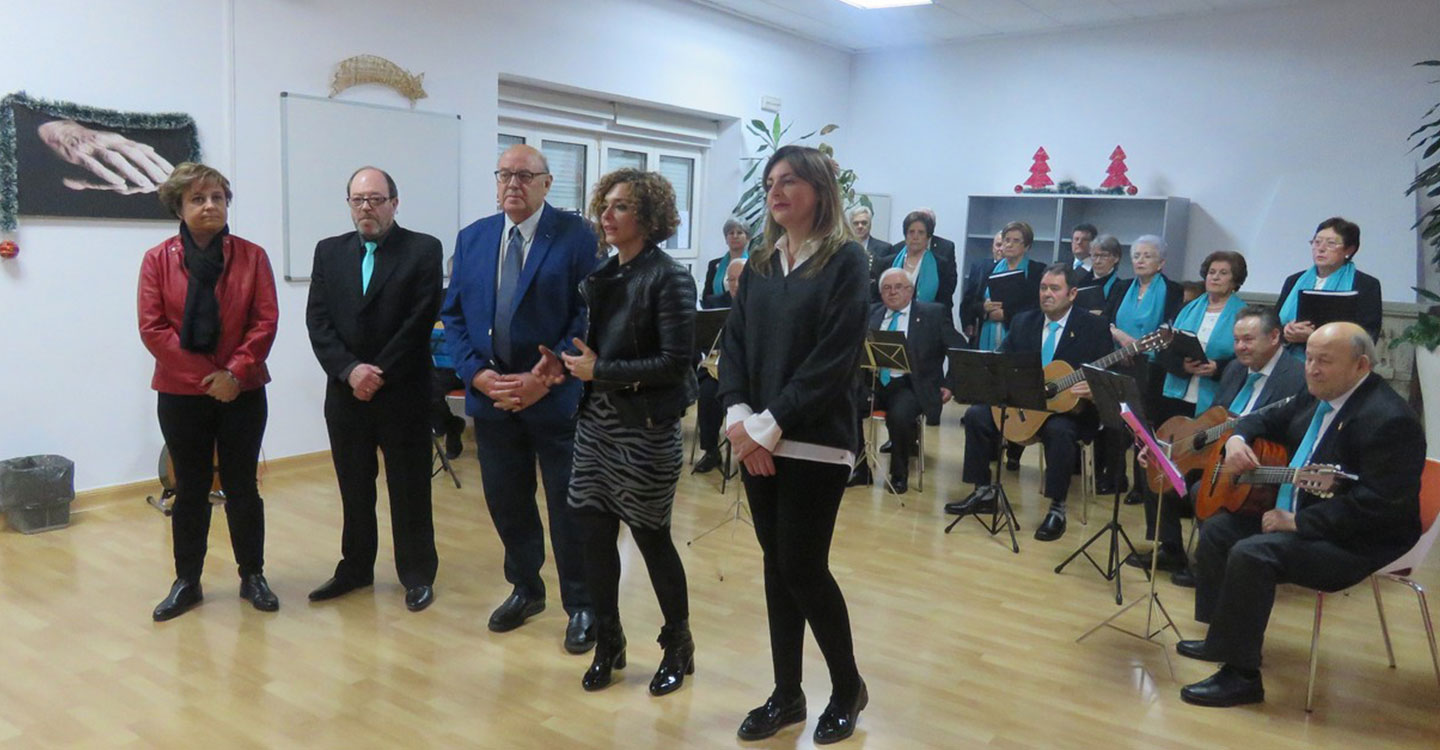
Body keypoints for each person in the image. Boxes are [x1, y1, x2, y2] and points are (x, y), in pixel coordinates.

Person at [1177, 322, 1425, 707]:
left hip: (1359, 539)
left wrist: (1298, 522)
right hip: (1303, 511)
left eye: (1324, 361)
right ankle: (1221, 639)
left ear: (1361, 366)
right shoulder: (1317, 395)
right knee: (1220, 528)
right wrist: (1237, 441)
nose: (1311, 368)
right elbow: (1260, 419)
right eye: (1308, 358)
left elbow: (1378, 506)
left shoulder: (1389, 420)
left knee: (1253, 553)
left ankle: (1242, 677)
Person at [719, 145, 868, 744]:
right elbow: (735, 345)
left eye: (790, 181)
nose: (776, 192)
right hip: (759, 437)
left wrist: (767, 425)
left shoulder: (846, 262)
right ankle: (787, 695)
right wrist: (738, 414)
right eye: (770, 182)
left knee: (803, 567)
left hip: (815, 441)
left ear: (819, 189)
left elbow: (832, 360)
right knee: (776, 569)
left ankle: (847, 686)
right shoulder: (759, 263)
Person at [533, 169, 698, 695]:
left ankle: (678, 643)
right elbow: (595, 353)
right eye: (605, 204)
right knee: (592, 537)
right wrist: (564, 367)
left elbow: (676, 363)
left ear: (647, 217)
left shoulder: (668, 276)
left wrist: (599, 371)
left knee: (651, 540)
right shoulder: (604, 274)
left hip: (646, 428)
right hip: (597, 426)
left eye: (621, 206)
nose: (607, 214)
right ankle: (610, 640)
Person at [442, 144, 602, 652]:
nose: (513, 183)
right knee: (507, 501)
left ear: (547, 183)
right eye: (504, 175)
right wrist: (476, 376)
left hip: (551, 395)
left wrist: (548, 370)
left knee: (566, 504)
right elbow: (455, 315)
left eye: (525, 175)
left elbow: (587, 313)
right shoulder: (474, 239)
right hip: (493, 396)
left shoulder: (576, 235)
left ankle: (581, 604)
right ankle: (526, 588)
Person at [137, 162, 278, 621]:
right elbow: (153, 328)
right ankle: (187, 582)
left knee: (242, 485)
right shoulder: (158, 259)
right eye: (198, 199)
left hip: (244, 389)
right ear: (178, 205)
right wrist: (207, 376)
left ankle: (252, 575)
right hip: (181, 393)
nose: (210, 206)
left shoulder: (252, 256)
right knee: (191, 487)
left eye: (217, 197)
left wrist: (234, 373)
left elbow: (265, 320)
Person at [304, 166, 442, 612]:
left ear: (395, 204)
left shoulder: (423, 249)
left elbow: (419, 321)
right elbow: (318, 321)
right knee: (354, 487)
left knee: (409, 488)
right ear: (349, 205)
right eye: (358, 200)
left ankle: (417, 573)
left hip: (403, 392)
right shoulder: (329, 252)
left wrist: (375, 371)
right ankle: (356, 567)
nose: (367, 207)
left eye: (376, 199)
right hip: (346, 395)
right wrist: (349, 371)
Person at [946, 264, 1114, 542]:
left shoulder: (1093, 326)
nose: (1047, 294)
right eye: (1043, 288)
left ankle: (1057, 507)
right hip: (1024, 403)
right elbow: (1002, 360)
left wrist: (1093, 389)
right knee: (976, 415)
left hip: (1069, 410)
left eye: (1054, 289)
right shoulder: (1025, 321)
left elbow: (1106, 377)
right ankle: (983, 491)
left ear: (1072, 294)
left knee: (1060, 432)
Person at [1145, 305, 1308, 587]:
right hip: (1219, 454)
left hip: (1259, 467)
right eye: (1236, 340)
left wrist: (1241, 438)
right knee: (1159, 467)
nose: (1240, 347)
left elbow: (1293, 433)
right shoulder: (1235, 368)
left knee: (1198, 489)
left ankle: (1212, 565)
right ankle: (1170, 548)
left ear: (1273, 337)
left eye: (1248, 339)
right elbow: (1218, 415)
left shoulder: (1297, 376)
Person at [852, 268, 963, 494]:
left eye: (898, 287)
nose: (892, 292)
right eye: (887, 288)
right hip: (873, 381)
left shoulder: (933, 313)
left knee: (900, 416)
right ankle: (860, 468)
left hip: (911, 384)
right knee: (844, 406)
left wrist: (949, 383)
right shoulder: (872, 312)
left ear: (911, 291)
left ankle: (899, 474)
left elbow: (959, 348)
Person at [1105, 235, 1185, 504]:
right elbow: (1107, 320)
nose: (1140, 260)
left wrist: (1137, 347)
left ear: (1161, 262)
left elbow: (1169, 328)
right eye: (1136, 255)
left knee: (1143, 424)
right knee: (1117, 421)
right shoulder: (1120, 287)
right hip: (1120, 360)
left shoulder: (1173, 290)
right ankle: (1115, 477)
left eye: (1147, 255)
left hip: (1152, 365)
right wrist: (1120, 338)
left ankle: (1142, 485)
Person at [1276, 217, 1383, 356]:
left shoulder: (1366, 285)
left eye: (1331, 243)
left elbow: (1368, 335)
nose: (1320, 249)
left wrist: (1317, 337)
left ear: (1349, 250)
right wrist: (1286, 331)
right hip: (1289, 361)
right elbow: (1273, 325)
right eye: (1317, 242)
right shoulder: (1293, 281)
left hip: (1339, 362)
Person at [695, 257, 746, 474]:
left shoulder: (761, 304)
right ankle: (711, 451)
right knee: (707, 393)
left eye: (740, 280)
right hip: (718, 368)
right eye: (731, 280)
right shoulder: (714, 303)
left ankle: (747, 455)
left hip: (748, 372)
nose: (735, 285)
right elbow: (702, 340)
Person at [965, 221, 1046, 352]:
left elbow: (1037, 307)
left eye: (1016, 241)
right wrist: (983, 308)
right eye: (1006, 240)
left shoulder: (1037, 271)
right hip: (986, 333)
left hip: (1021, 337)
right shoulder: (988, 269)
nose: (1009, 244)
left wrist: (1006, 314)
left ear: (1026, 246)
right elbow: (971, 303)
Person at [883, 210, 959, 317]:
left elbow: (944, 302)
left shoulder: (941, 265)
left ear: (928, 237)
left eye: (921, 232)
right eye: (911, 232)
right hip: (891, 321)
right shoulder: (888, 262)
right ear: (905, 235)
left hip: (927, 322)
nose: (915, 237)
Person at [958, 231, 1005, 340]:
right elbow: (968, 299)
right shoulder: (980, 267)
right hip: (982, 325)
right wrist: (968, 322)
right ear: (992, 248)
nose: (1001, 249)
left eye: (1004, 245)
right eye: (998, 245)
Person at [701, 217, 749, 309]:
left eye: (739, 233)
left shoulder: (754, 264)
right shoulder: (714, 265)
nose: (735, 236)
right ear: (726, 239)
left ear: (747, 238)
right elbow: (706, 296)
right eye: (731, 233)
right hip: (718, 313)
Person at [848, 206, 890, 303]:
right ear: (850, 225)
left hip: (874, 304)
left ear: (870, 224)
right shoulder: (842, 248)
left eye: (864, 223)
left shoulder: (884, 249)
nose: (860, 226)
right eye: (856, 223)